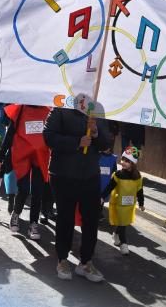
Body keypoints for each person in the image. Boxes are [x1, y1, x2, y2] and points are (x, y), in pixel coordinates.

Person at [43, 102, 112, 282]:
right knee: (65, 218)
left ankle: (86, 262)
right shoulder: (60, 108)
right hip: (63, 174)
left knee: (91, 220)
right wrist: (77, 142)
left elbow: (106, 144)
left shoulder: (97, 111)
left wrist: (95, 130)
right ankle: (62, 259)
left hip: (90, 175)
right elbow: (48, 137)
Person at [0, 104, 51, 240]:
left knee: (38, 192)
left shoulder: (49, 112)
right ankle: (16, 213)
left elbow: (52, 135)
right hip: (22, 155)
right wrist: (0, 157)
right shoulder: (20, 110)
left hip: (41, 156)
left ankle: (33, 223)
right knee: (24, 189)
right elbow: (9, 135)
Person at [101, 146, 145, 255]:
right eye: (123, 160)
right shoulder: (118, 175)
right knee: (122, 224)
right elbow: (109, 187)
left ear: (133, 164)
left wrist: (141, 203)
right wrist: (102, 197)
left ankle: (116, 234)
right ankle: (124, 244)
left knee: (124, 224)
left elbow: (139, 191)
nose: (124, 163)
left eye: (127, 161)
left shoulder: (138, 177)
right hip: (119, 204)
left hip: (129, 206)